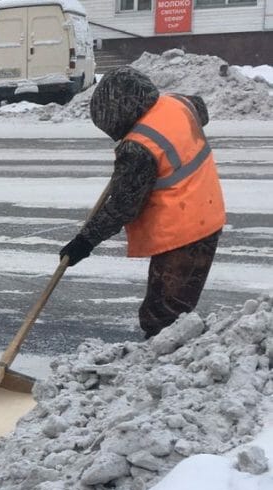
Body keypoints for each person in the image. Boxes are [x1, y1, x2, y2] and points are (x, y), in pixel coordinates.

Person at [59, 67, 225, 338]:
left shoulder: (138, 147)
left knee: (163, 318)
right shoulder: (178, 103)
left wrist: (84, 241)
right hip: (205, 213)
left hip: (185, 233)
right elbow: (200, 109)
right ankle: (164, 364)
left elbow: (123, 206)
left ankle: (166, 372)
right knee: (165, 309)